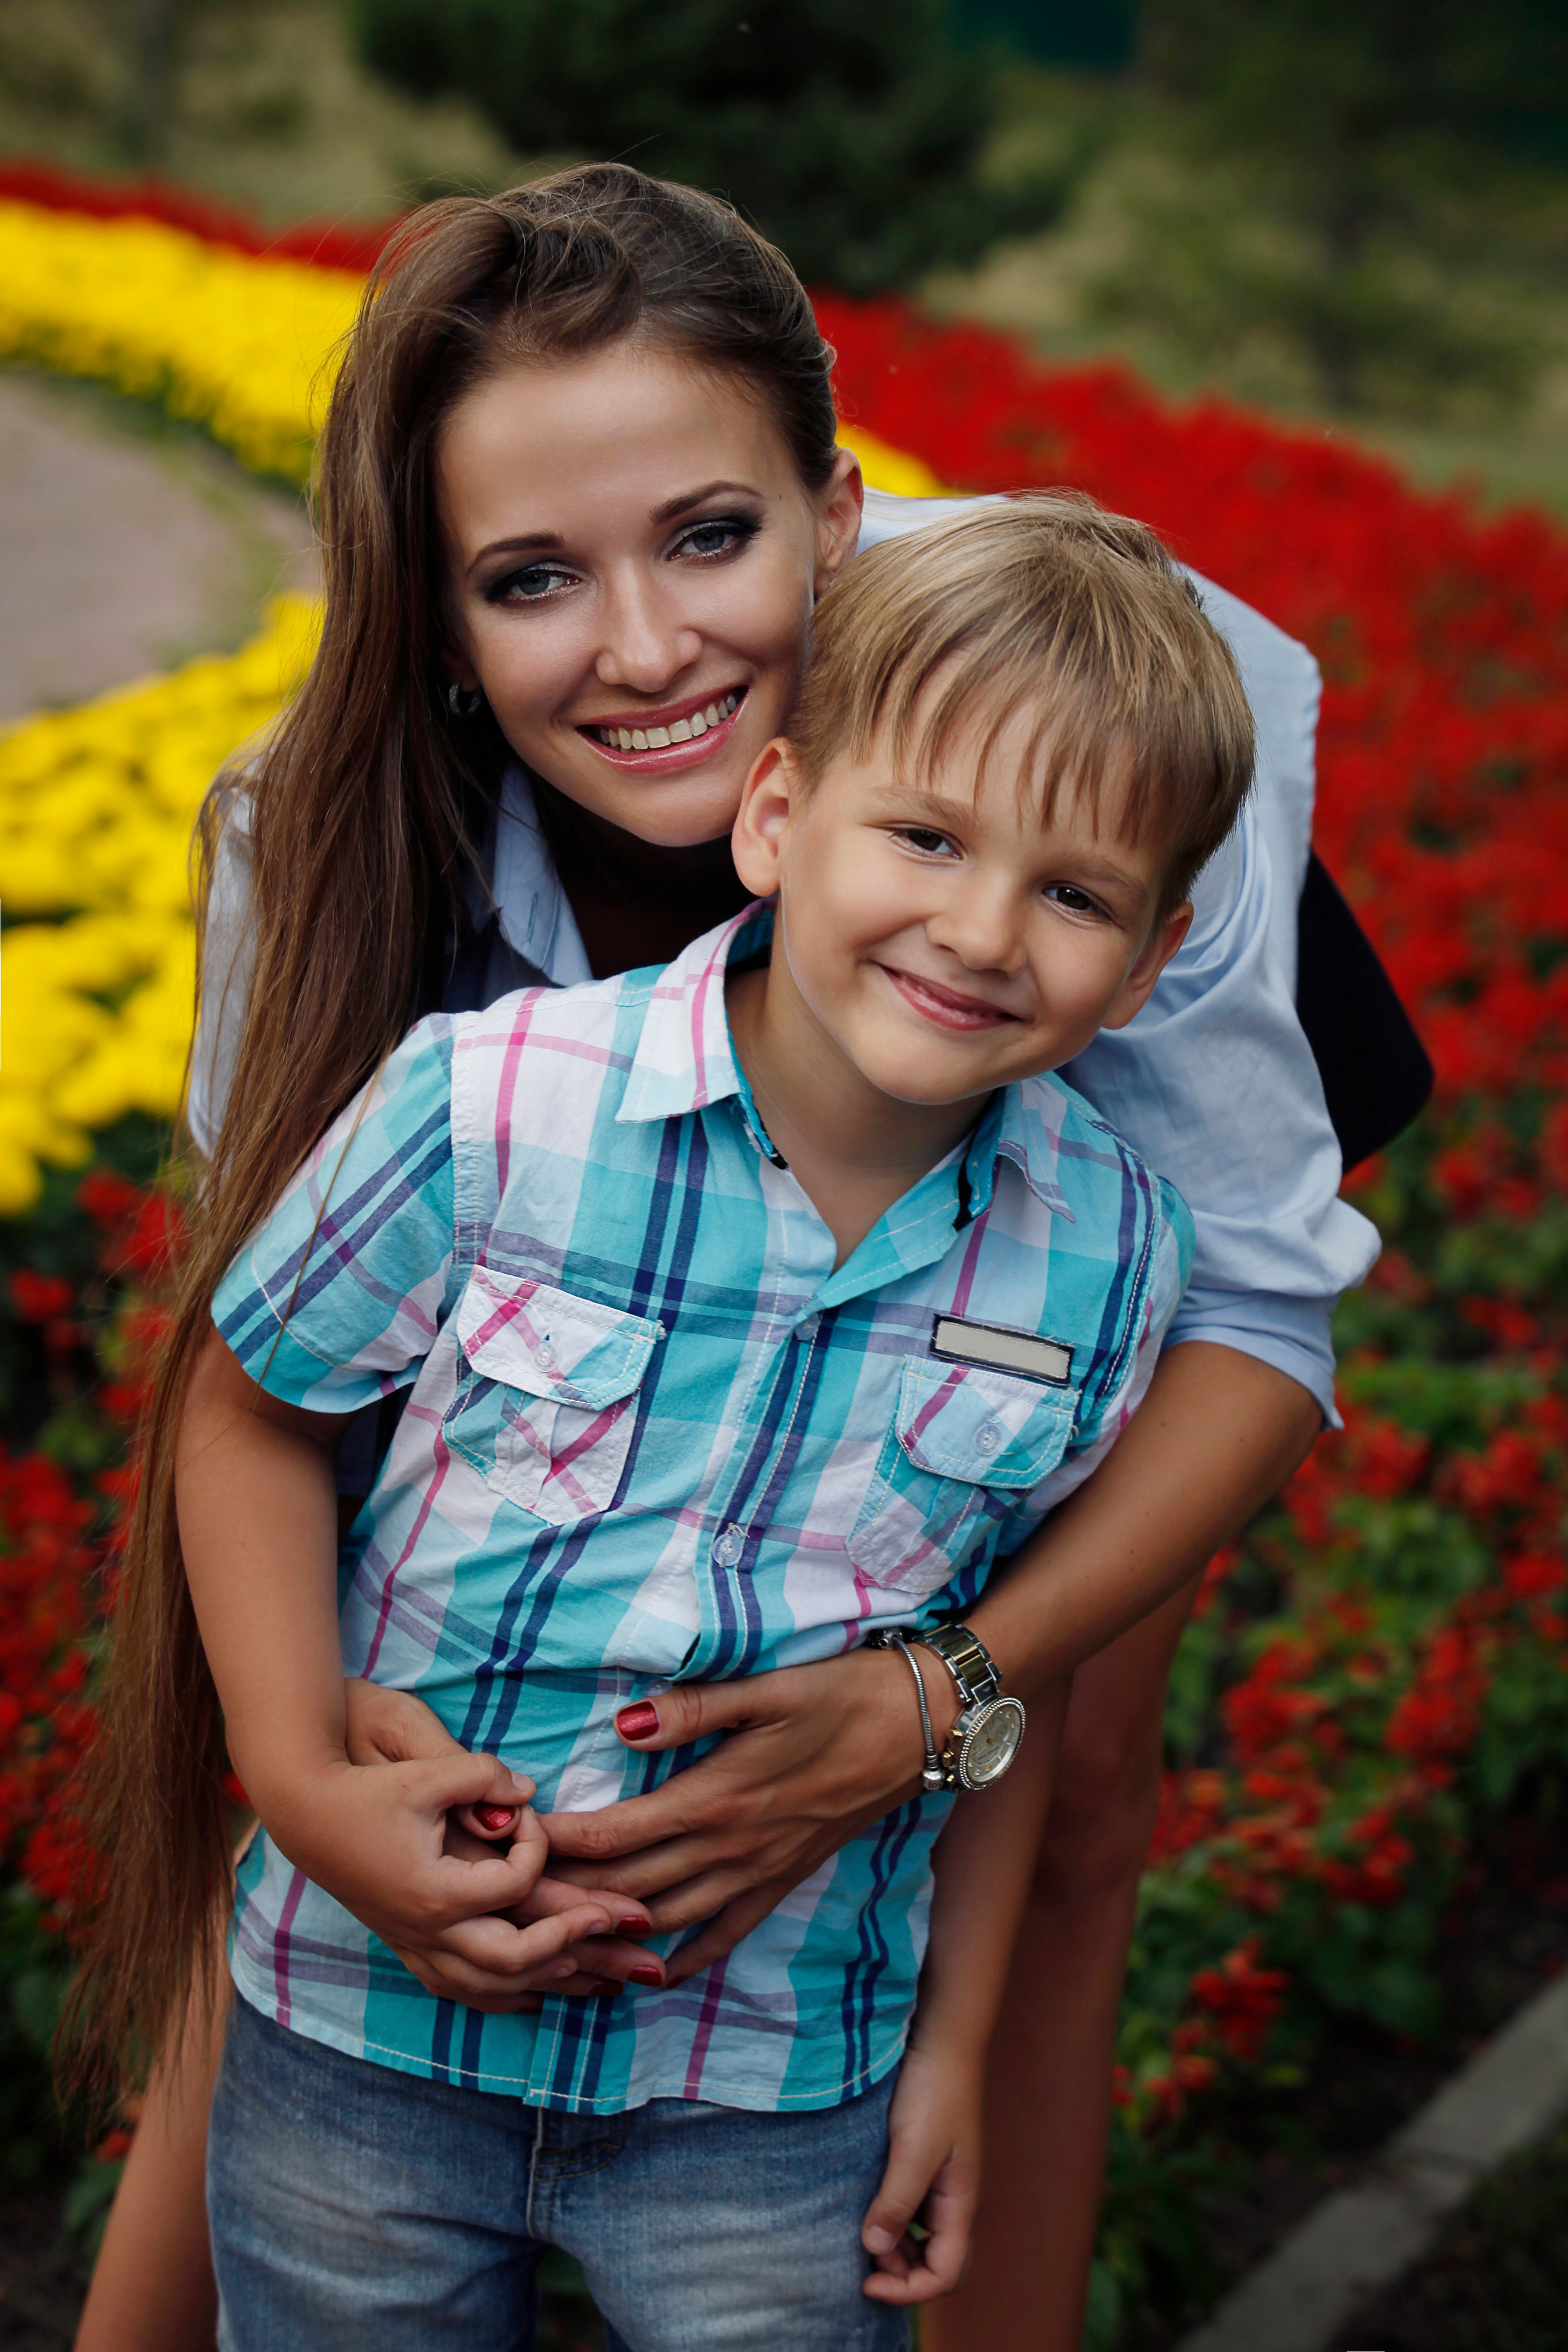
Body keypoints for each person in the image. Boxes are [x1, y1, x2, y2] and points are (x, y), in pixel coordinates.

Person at [69, 167, 1377, 2352]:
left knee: (1056, 1809)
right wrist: (309, 1766)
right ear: (445, 616)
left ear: (837, 513)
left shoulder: (1113, 749)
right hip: (591, 1173)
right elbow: (272, 1403)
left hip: (1048, 1123)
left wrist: (938, 1690)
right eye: (531, 578)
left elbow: (1251, 1317)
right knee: (407, 1710)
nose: (653, 647)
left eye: (710, 534)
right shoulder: (322, 845)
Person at [178, 494, 1253, 2346]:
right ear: (778, 817)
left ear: (1149, 967)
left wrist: (957, 2052)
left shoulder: (1109, 1265)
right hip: (363, 2026)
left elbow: (1014, 1689)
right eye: (925, 835)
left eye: (1075, 893)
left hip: (772, 2098)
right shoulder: (494, 1103)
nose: (984, 928)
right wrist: (296, 1783)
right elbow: (251, 1411)